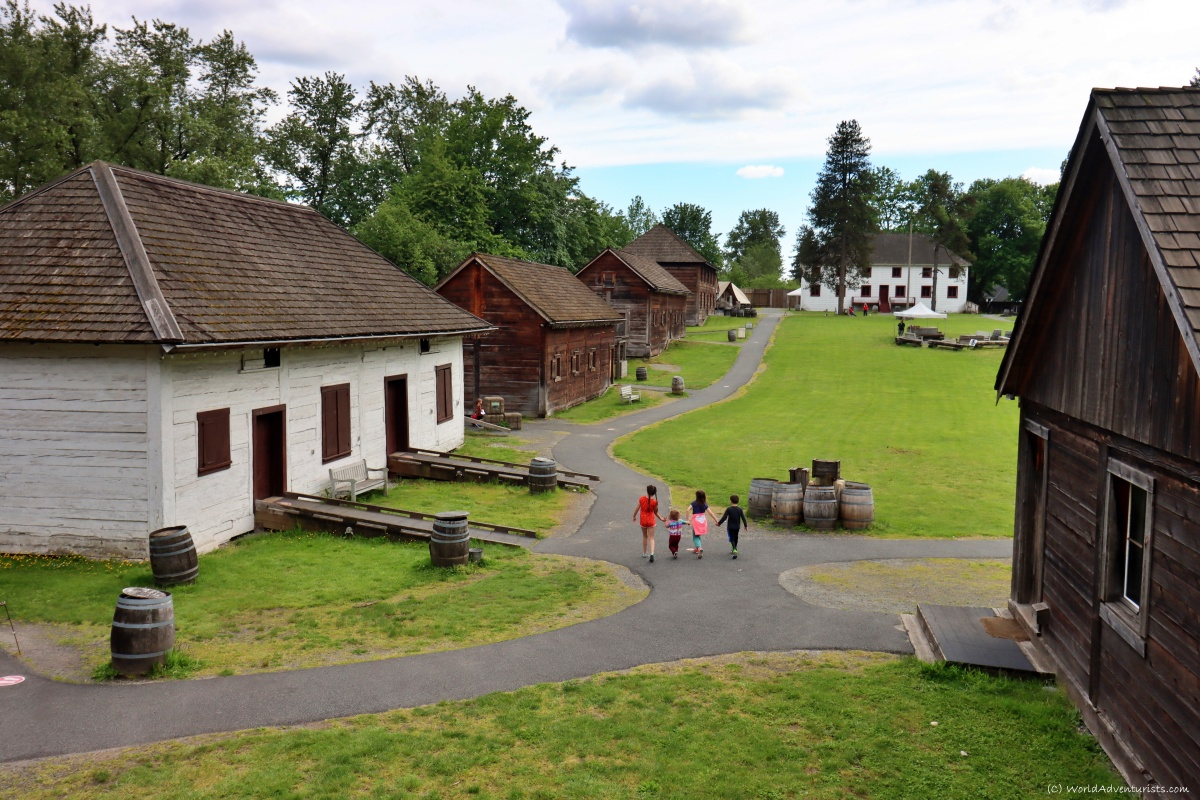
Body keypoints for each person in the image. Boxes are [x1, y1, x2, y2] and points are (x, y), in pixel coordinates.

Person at [633, 485, 665, 563]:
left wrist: (634, 516)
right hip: (651, 520)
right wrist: (661, 518)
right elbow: (656, 512)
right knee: (651, 538)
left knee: (645, 536)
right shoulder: (655, 502)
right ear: (654, 493)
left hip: (643, 520)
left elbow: (637, 508)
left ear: (647, 491)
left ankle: (644, 553)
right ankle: (652, 553)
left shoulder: (641, 499)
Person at [717, 494, 750, 559]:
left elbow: (724, 517)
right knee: (736, 538)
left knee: (731, 538)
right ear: (738, 501)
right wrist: (745, 525)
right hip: (737, 527)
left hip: (730, 527)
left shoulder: (729, 509)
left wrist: (719, 523)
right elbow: (743, 518)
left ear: (731, 501)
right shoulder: (740, 509)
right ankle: (735, 549)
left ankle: (734, 548)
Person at [688, 490, 719, 558]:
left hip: (696, 521)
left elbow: (687, 510)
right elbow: (710, 513)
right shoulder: (704, 504)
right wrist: (716, 520)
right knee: (698, 534)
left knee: (695, 537)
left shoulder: (694, 503)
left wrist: (688, 520)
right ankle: (697, 548)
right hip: (702, 521)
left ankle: (699, 548)